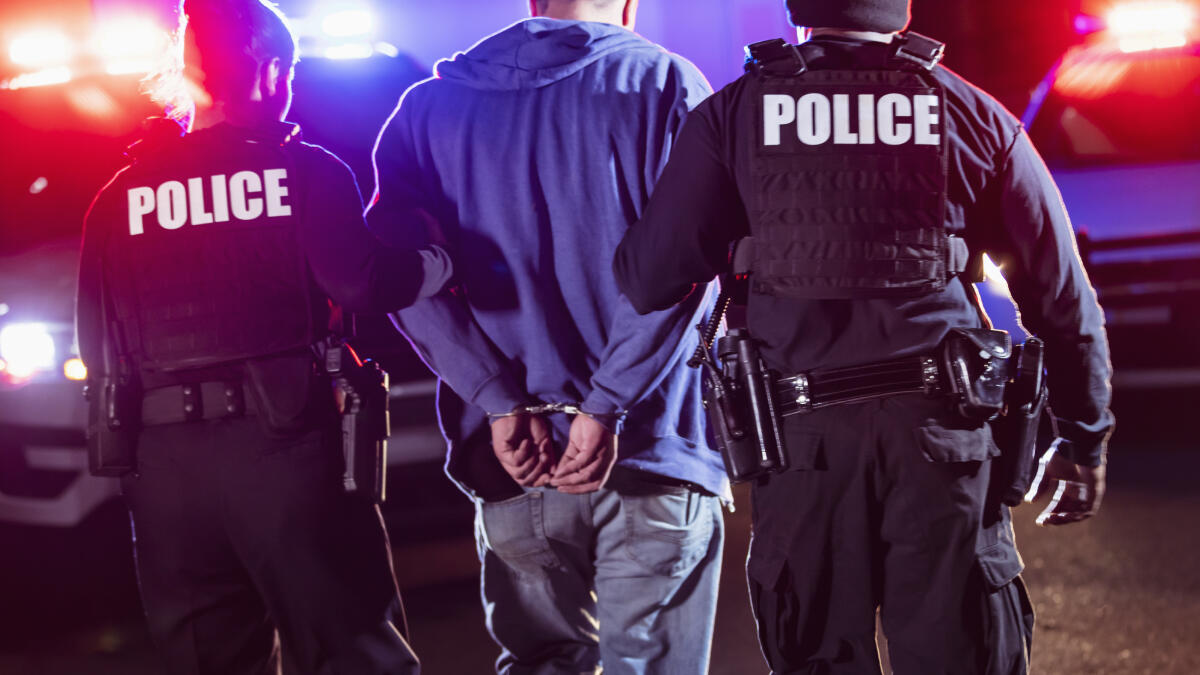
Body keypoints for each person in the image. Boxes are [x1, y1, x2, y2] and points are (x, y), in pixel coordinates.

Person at [613, 1, 1115, 672]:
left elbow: (648, 279)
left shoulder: (734, 114)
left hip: (801, 445)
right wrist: (1082, 436)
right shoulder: (969, 111)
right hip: (943, 436)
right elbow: (1061, 297)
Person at [75, 1, 450, 672]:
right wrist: (439, 260)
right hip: (285, 449)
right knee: (352, 652)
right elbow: (362, 283)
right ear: (270, 70)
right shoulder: (304, 171)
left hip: (164, 477)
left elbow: (96, 345)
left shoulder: (118, 197)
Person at [366, 0, 729, 672]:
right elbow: (686, 267)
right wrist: (607, 403)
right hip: (653, 444)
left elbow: (400, 281)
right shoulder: (665, 85)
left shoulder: (427, 109)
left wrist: (498, 399)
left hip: (515, 454)